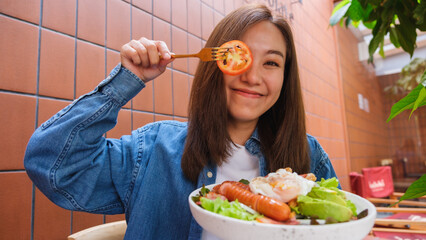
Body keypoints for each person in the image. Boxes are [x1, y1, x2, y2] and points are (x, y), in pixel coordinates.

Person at [24, 4, 338, 239]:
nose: (253, 77)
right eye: (239, 57)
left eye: (271, 62)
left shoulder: (309, 157)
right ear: (214, 64)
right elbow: (53, 166)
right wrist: (126, 81)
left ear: (285, 77)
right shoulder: (153, 150)